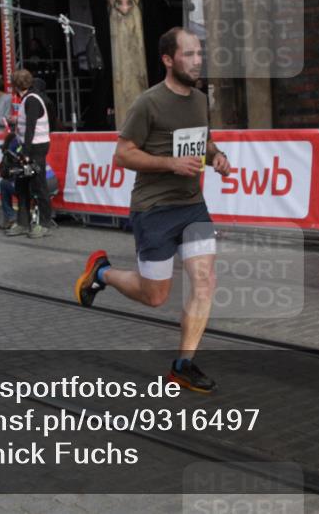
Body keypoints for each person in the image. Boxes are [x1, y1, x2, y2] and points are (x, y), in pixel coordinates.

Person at [73, 27, 231, 393]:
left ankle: (182, 365)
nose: (197, 61)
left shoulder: (200, 100)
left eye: (199, 54)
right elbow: (123, 154)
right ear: (167, 60)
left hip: (192, 207)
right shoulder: (148, 102)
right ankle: (103, 272)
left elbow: (203, 141)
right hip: (154, 209)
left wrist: (217, 157)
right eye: (188, 54)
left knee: (205, 282)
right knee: (154, 296)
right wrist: (171, 164)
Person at [6, 69, 52, 239]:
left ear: (15, 85)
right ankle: (23, 222)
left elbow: (31, 127)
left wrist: (25, 153)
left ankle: (44, 223)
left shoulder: (31, 100)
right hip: (30, 147)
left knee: (39, 185)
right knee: (22, 184)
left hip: (35, 148)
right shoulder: (29, 98)